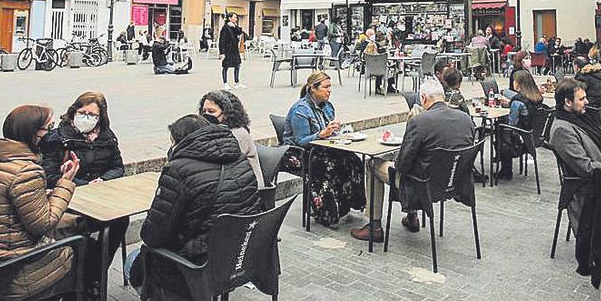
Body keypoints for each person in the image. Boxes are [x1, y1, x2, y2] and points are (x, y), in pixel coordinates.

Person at [128, 114, 260, 301]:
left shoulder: (179, 170)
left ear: (181, 142)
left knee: (134, 260)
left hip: (199, 266)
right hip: (239, 258)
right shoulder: (239, 159)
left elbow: (152, 236)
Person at [0, 105, 81, 301]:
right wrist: (66, 182)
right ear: (33, 134)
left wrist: (43, 194)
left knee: (66, 238)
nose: (52, 133)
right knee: (88, 252)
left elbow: (12, 205)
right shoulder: (26, 171)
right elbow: (43, 224)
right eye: (49, 128)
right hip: (13, 268)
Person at [351, 79, 475, 241]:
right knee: (418, 163)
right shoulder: (465, 119)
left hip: (424, 185)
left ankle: (374, 226)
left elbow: (402, 166)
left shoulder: (419, 121)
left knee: (372, 164)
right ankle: (411, 217)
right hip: (454, 183)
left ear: (423, 98)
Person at [38, 92, 127, 298]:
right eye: (82, 112)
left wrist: (103, 180)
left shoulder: (107, 136)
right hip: (69, 200)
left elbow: (118, 167)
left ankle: (93, 276)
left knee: (120, 221)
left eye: (92, 114)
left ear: (100, 117)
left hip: (101, 198)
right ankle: (82, 279)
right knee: (81, 229)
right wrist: (84, 185)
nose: (86, 117)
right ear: (73, 112)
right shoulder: (58, 138)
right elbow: (51, 176)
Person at [282, 71, 366, 228]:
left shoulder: (328, 107)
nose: (329, 90)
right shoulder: (300, 110)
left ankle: (348, 204)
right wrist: (321, 134)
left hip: (320, 147)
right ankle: (325, 213)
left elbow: (328, 133)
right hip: (296, 153)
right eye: (326, 87)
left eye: (330, 87)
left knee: (352, 159)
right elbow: (301, 141)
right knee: (328, 165)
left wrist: (335, 132)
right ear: (313, 88)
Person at [547, 79, 601, 229]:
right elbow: (585, 168)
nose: (587, 102)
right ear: (567, 102)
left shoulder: (580, 119)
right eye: (582, 99)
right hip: (589, 186)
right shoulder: (562, 130)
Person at [199, 90, 266, 188]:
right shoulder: (212, 132)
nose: (206, 115)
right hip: (228, 183)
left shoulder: (238, 134)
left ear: (226, 114)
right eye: (204, 111)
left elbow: (217, 159)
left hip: (248, 188)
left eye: (211, 111)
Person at [497, 69, 543, 180]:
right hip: (533, 137)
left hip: (520, 140)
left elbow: (511, 122)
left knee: (500, 128)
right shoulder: (538, 97)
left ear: (518, 83)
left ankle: (506, 170)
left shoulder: (518, 101)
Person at [218, 14, 246, 89]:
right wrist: (222, 52)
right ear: (230, 18)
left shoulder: (233, 26)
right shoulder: (225, 28)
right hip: (228, 50)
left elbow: (240, 32)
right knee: (225, 66)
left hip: (235, 49)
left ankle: (237, 83)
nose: (236, 19)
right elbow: (222, 40)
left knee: (237, 65)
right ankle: (225, 83)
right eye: (234, 17)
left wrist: (234, 26)